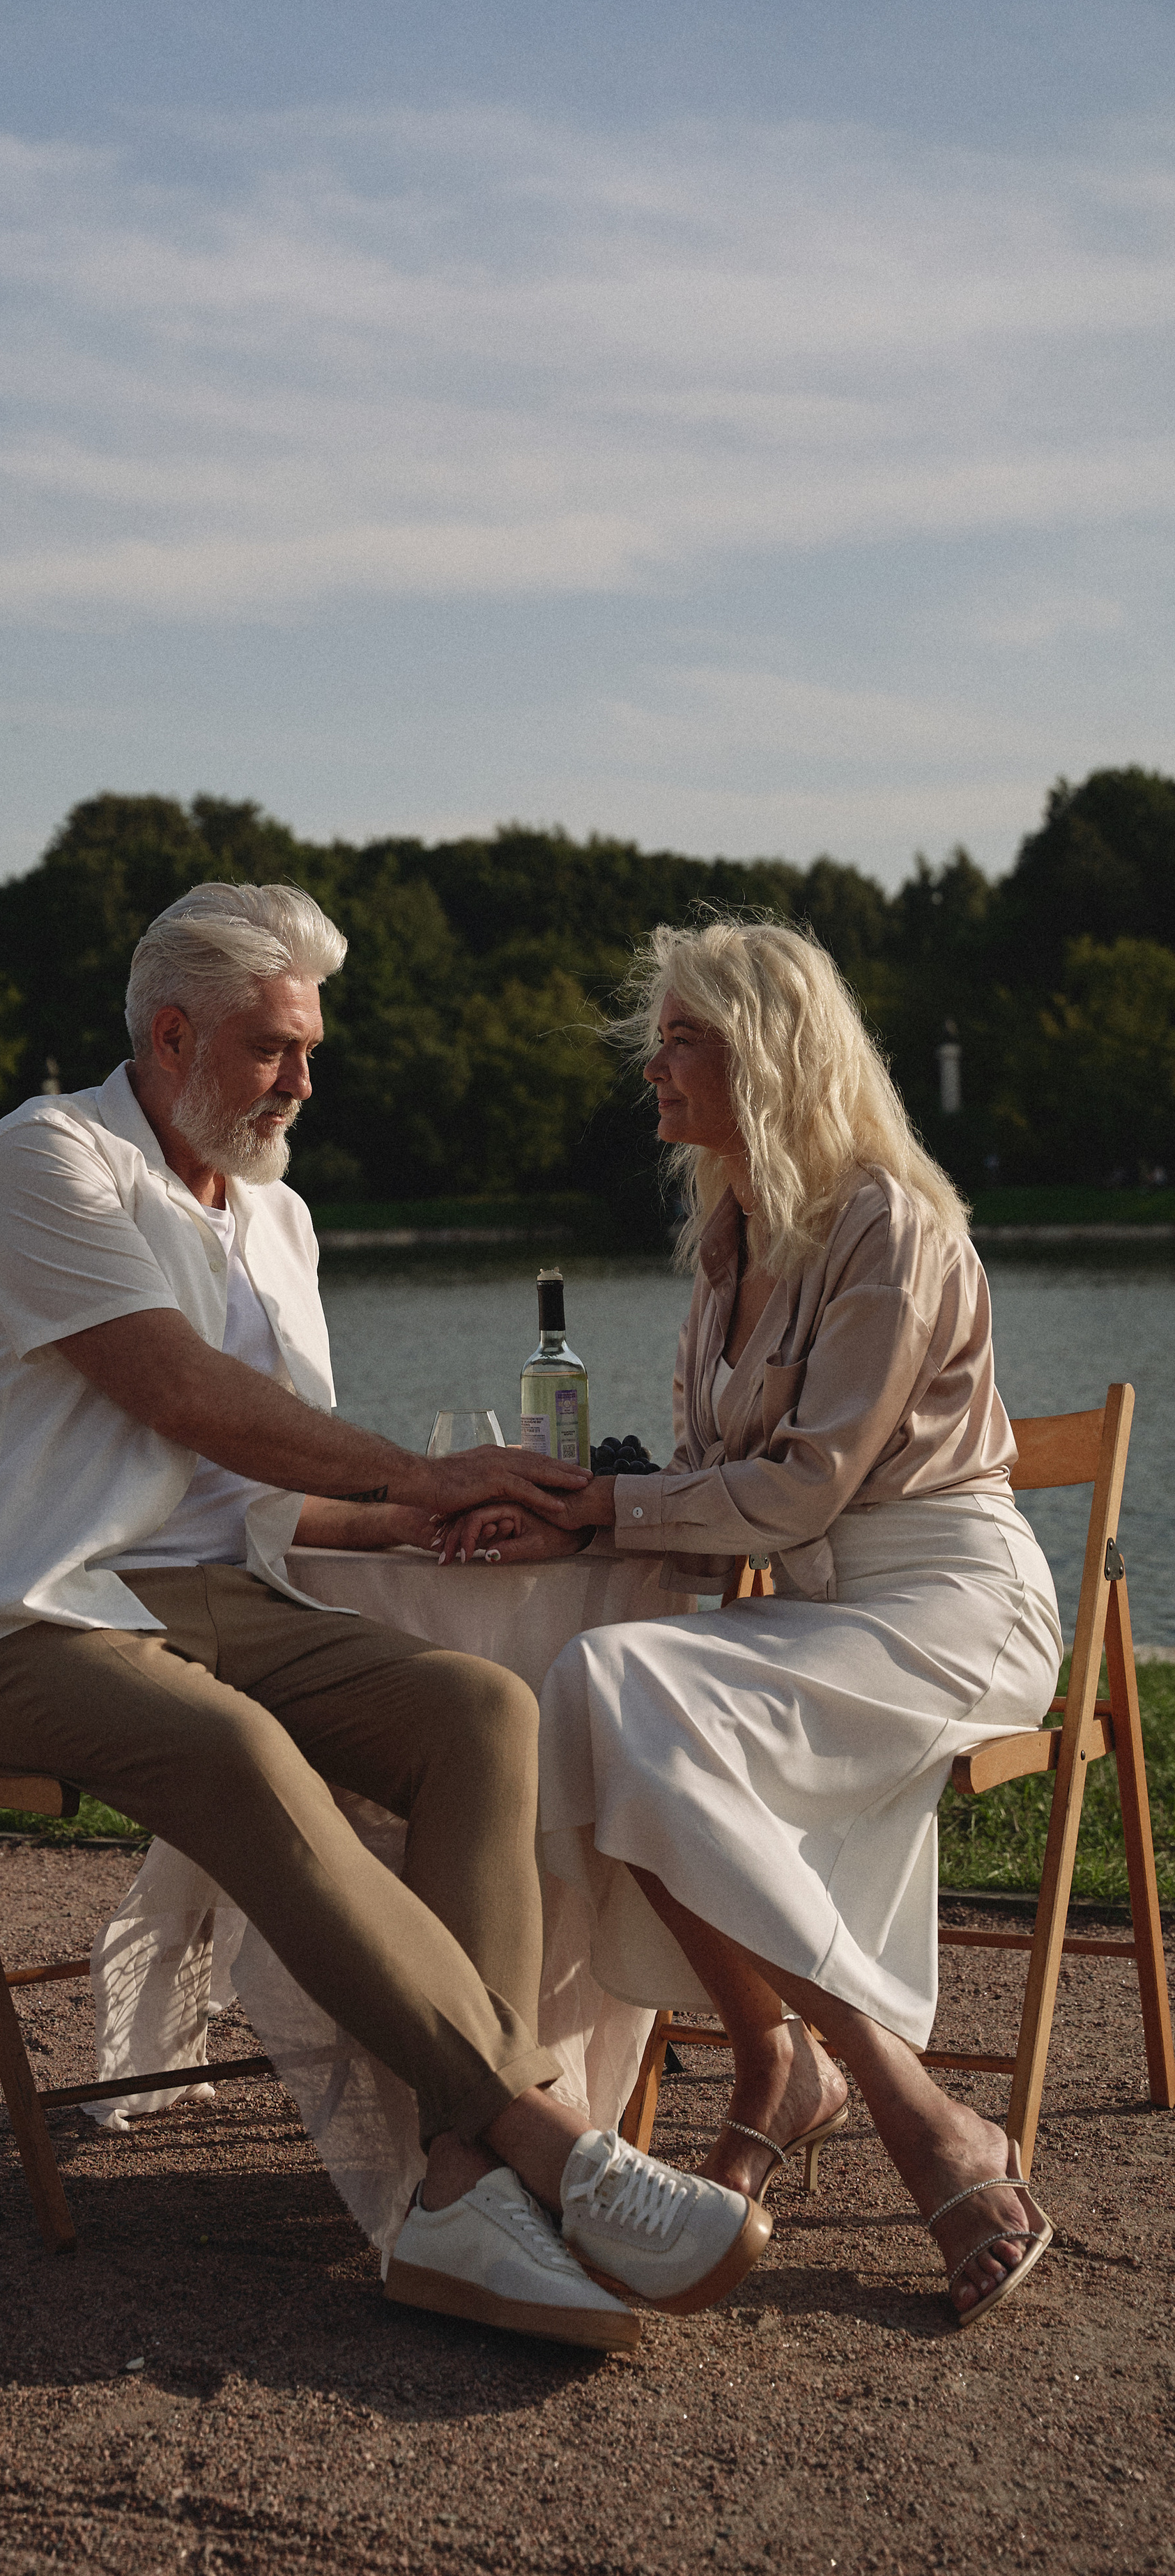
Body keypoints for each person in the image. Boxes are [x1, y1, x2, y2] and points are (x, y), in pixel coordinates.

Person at [0, 880, 770, 2351]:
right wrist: (422, 1467)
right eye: (267, 1049)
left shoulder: (277, 1218)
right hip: (23, 1620)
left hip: (224, 1597)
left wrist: (441, 1511)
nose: (302, 1079)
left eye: (307, 1048)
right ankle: (547, 2146)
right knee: (239, 1754)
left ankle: (453, 2188)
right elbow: (180, 1396)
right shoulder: (48, 1160)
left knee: (481, 1709)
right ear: (170, 1037)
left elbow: (267, 1492)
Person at [436, 915, 1062, 2330]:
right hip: (817, 1611)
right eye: (654, 1042)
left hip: (952, 1603)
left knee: (610, 1695)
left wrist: (600, 1513)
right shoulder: (721, 1253)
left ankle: (862, 2092)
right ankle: (813, 2073)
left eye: (680, 1040)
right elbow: (712, 1500)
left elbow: (794, 1492)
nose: (651, 1071)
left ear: (766, 1053)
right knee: (591, 1682)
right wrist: (565, 1513)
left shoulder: (887, 1227)